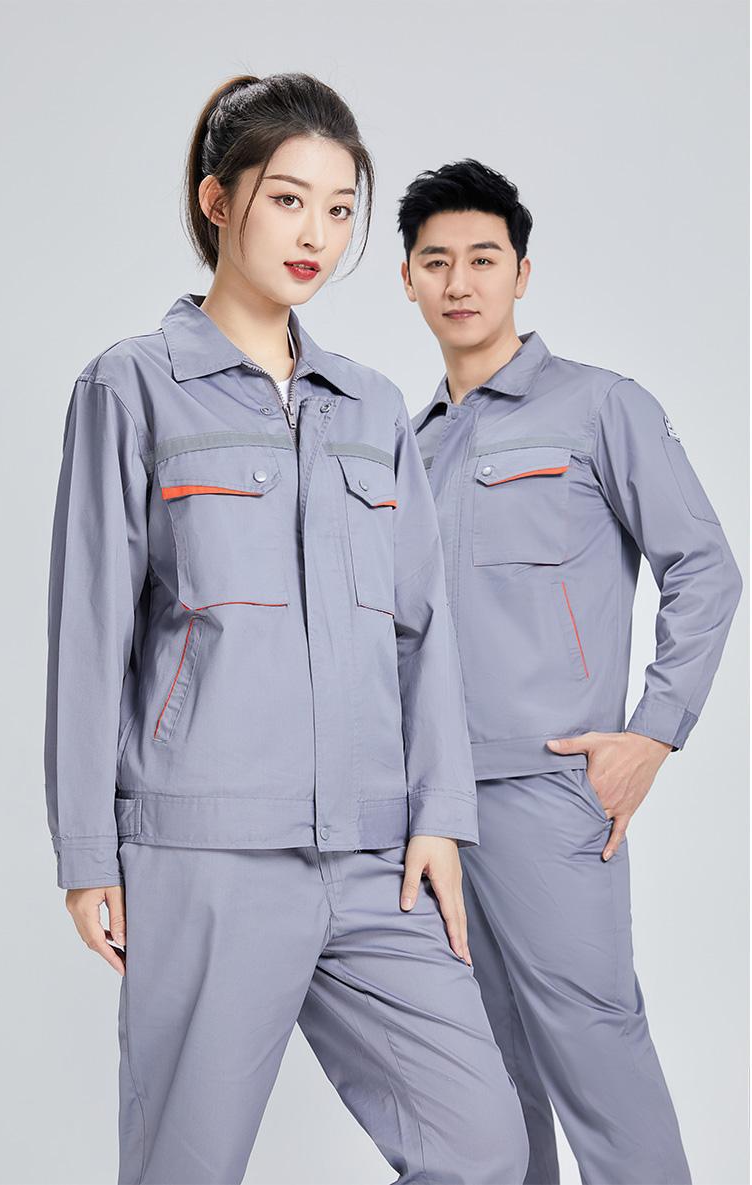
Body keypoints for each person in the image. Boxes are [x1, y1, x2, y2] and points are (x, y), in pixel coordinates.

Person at [43, 79, 529, 1185]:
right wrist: (86, 852)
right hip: (205, 854)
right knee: (186, 1166)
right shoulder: (134, 387)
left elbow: (422, 630)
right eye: (289, 200)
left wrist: (439, 815)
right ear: (218, 200)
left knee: (484, 1145)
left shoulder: (369, 407)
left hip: (373, 858)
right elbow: (88, 634)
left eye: (342, 209)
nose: (318, 234)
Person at [398, 158, 743, 1185]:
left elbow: (705, 569)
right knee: (478, 1087)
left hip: (548, 791)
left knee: (596, 1055)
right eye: (436, 261)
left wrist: (654, 732)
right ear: (408, 280)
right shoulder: (406, 448)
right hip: (426, 810)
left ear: (521, 272)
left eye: (483, 258)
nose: (460, 281)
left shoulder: (600, 408)